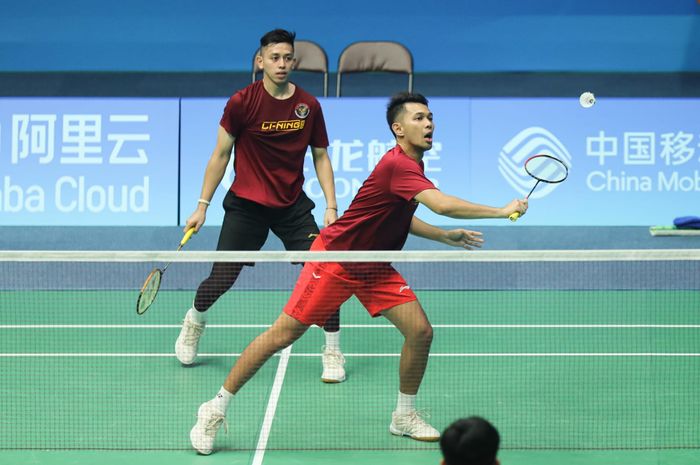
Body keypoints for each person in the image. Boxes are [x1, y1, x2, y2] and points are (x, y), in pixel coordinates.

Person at [189, 92, 528, 455]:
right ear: (398, 129)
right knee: (281, 335)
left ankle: (404, 415)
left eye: (430, 117)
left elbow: (400, 216)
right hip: (337, 261)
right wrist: (499, 210)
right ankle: (214, 408)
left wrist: (443, 236)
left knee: (420, 331)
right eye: (418, 118)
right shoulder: (398, 165)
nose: (429, 124)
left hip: (372, 264)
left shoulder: (411, 167)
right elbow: (442, 204)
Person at [175, 29, 347, 383]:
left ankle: (332, 350)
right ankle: (195, 319)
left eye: (287, 58)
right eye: (274, 58)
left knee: (326, 271)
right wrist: (202, 205)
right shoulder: (242, 102)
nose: (281, 64)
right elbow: (221, 154)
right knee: (221, 279)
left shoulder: (308, 106)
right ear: (260, 61)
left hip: (292, 205)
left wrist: (331, 205)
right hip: (246, 205)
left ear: (294, 61)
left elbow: (321, 156)